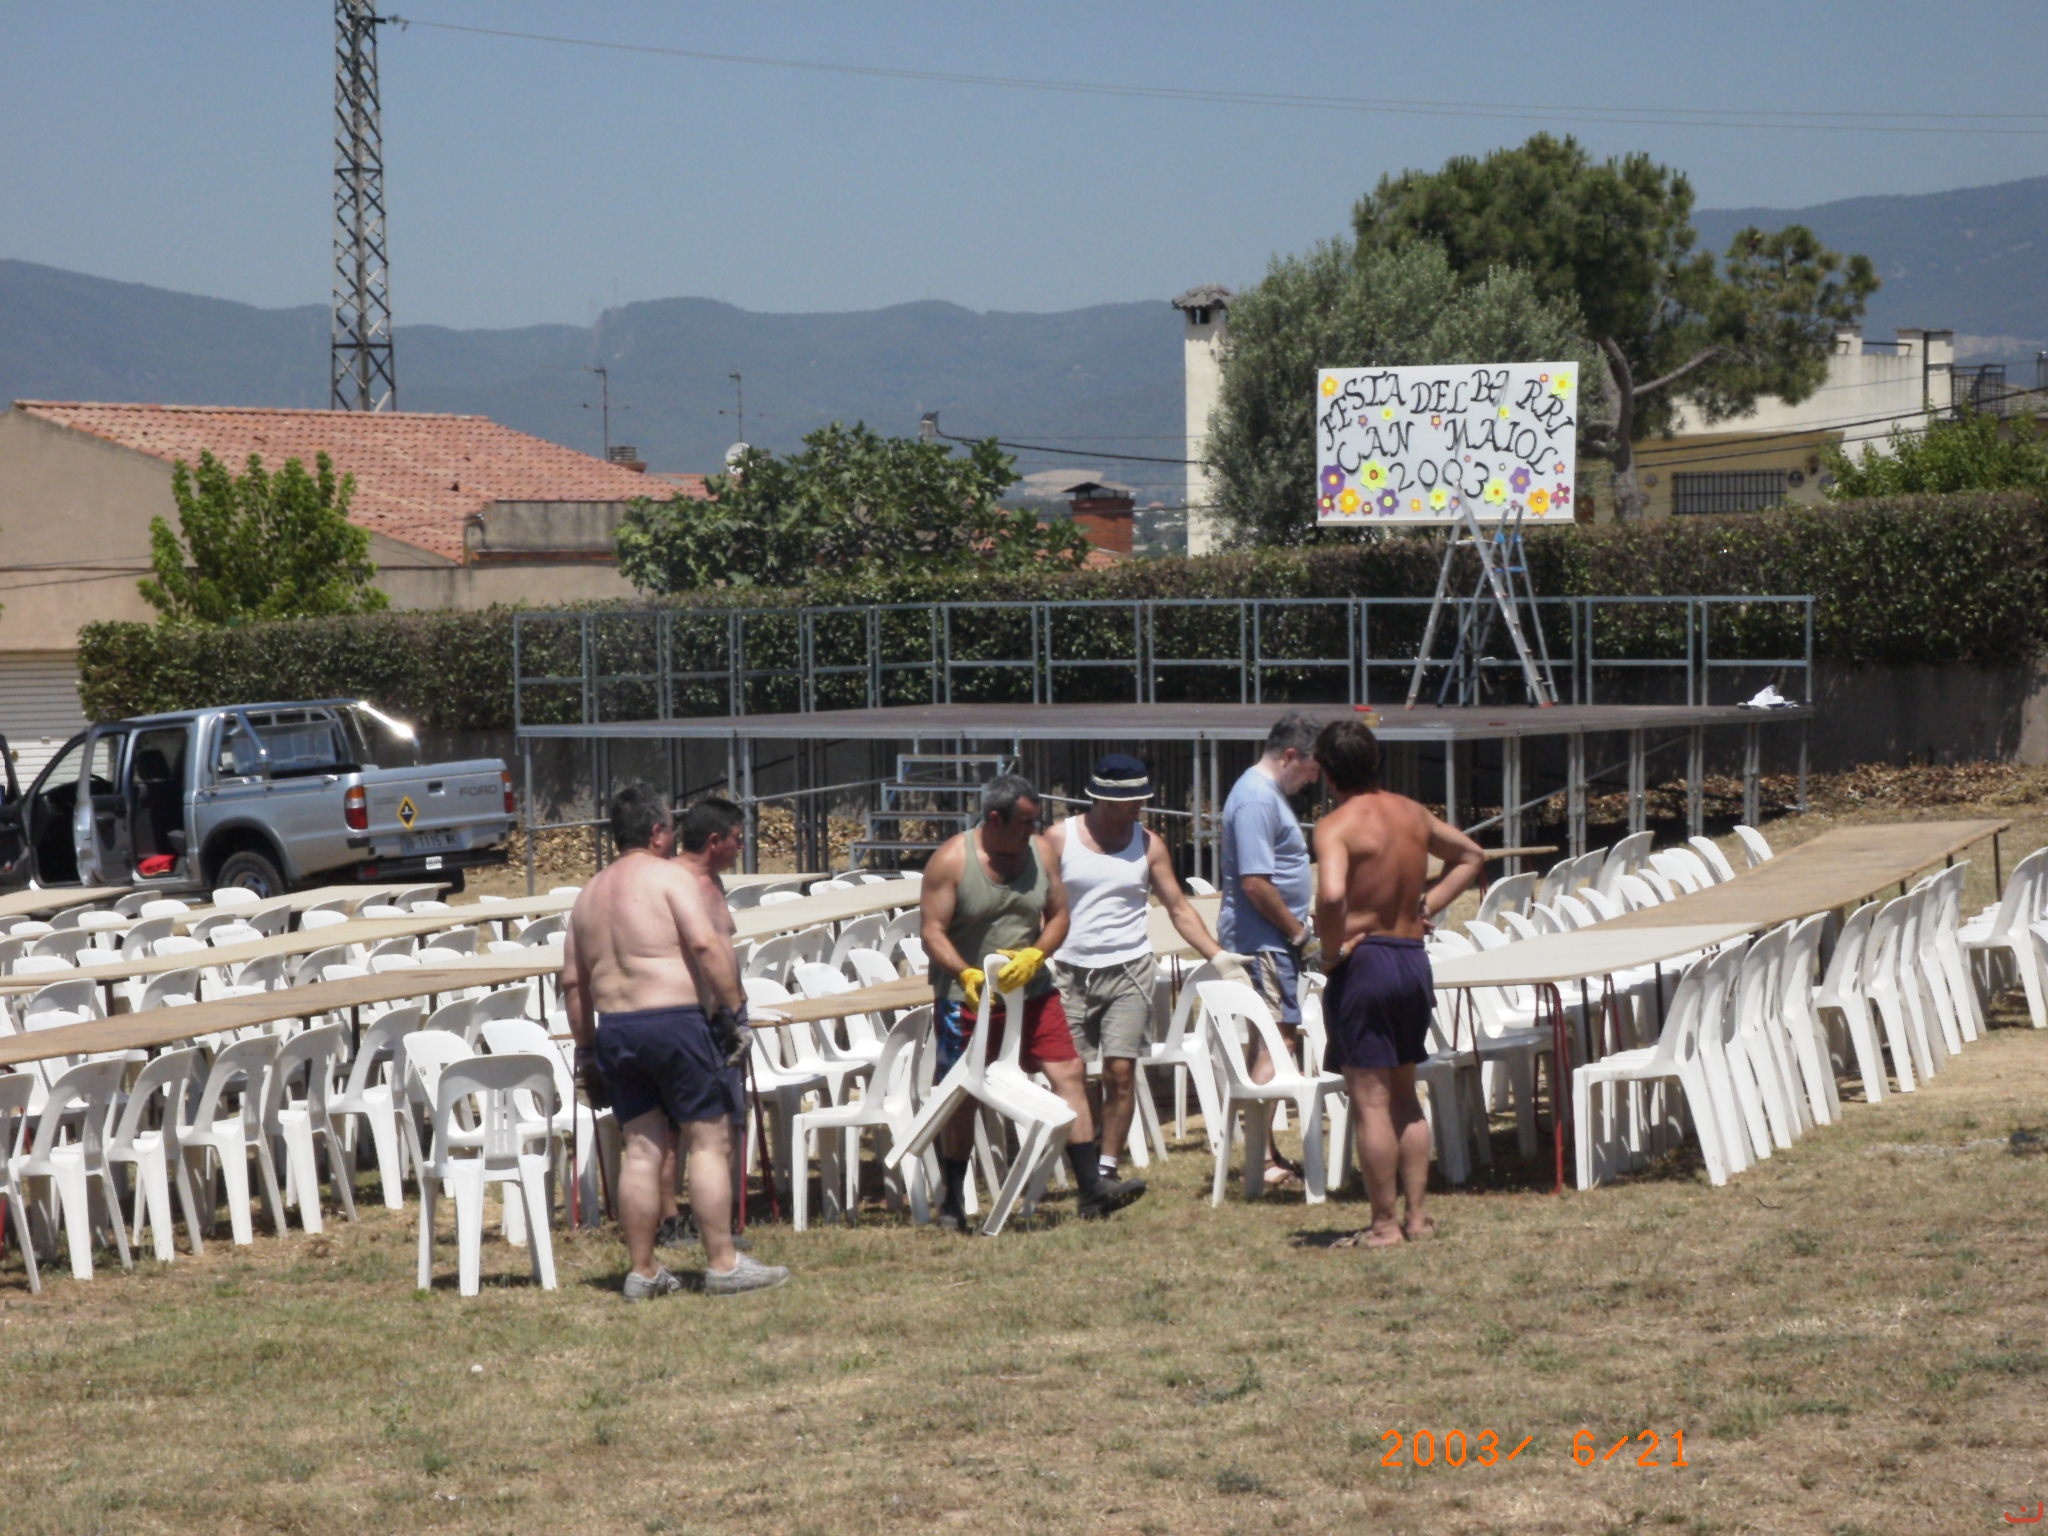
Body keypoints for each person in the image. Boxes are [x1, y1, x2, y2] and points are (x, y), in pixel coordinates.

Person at [563, 785, 789, 1298]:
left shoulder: (588, 894)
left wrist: (586, 1051)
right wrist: (735, 1012)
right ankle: (723, 1263)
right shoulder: (670, 878)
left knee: (642, 1149)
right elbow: (705, 944)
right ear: (658, 832)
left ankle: (642, 1270)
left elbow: (574, 983)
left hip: (616, 1028)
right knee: (709, 1141)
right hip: (674, 1022)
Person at [919, 772, 1147, 1230]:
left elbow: (1059, 914)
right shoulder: (952, 861)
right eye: (1024, 822)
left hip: (1034, 991)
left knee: (1070, 1071)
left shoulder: (1040, 853)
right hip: (967, 999)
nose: (1033, 830)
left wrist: (1036, 954)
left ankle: (1092, 1189)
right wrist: (964, 972)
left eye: (1035, 821)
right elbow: (932, 932)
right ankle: (952, 1201)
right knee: (963, 1095)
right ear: (995, 819)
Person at [1309, 719, 1485, 1248]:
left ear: (1326, 773)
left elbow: (1332, 896)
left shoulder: (1336, 826)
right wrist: (1428, 905)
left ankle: (1384, 1224)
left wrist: (1331, 953)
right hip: (1411, 959)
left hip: (1366, 963)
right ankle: (1418, 1217)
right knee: (1406, 1096)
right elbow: (1472, 856)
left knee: (1371, 1102)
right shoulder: (1412, 813)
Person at [1046, 752, 1234, 1183]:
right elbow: (1038, 905)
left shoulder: (1148, 844)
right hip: (1069, 972)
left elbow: (1179, 908)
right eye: (1131, 800)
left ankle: (1107, 1167)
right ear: (1102, 800)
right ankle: (1084, 1165)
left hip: (1130, 969)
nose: (1140, 807)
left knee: (1121, 1072)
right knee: (1071, 1075)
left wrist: (1218, 956)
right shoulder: (1058, 839)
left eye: (1142, 799)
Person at [1218, 712, 1323, 1190]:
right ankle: (1260, 1162)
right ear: (1290, 756)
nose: (1312, 780)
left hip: (1271, 939)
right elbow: (1256, 883)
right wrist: (1299, 934)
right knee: (1278, 1044)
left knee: (1271, 1042)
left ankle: (1263, 1154)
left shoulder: (1264, 794)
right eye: (1310, 769)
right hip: (1264, 941)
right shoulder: (1257, 799)